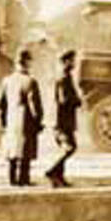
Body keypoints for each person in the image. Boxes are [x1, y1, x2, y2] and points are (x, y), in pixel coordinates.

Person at [0, 49, 43, 187]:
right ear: (28, 63)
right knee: (25, 150)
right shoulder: (30, 81)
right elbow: (34, 105)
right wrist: (38, 121)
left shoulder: (7, 80)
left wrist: (4, 122)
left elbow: (1, 104)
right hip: (26, 120)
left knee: (13, 149)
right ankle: (24, 178)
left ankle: (12, 178)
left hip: (12, 119)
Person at [44, 51, 81, 189]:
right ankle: (52, 172)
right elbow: (64, 99)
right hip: (62, 120)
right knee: (69, 148)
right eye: (72, 61)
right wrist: (77, 101)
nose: (74, 63)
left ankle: (58, 177)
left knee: (67, 148)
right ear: (66, 62)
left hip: (62, 120)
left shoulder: (64, 76)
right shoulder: (63, 78)